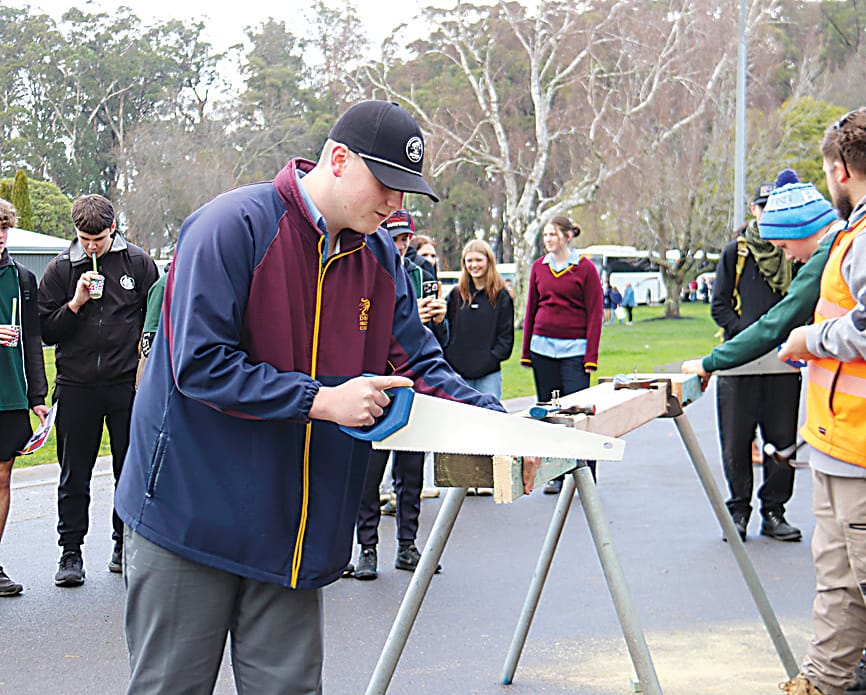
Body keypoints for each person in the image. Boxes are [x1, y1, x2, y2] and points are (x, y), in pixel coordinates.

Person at [114, 100, 503, 693]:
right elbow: (199, 363)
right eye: (387, 184)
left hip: (293, 532)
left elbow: (417, 360)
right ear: (338, 159)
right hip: (189, 516)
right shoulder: (232, 226)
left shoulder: (379, 259)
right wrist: (322, 400)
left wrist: (501, 425)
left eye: (408, 191)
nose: (396, 204)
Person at [778, 108, 866, 695]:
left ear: (838, 170)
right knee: (836, 580)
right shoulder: (853, 234)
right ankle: (823, 683)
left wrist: (811, 339)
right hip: (835, 444)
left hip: (860, 452)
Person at [38, 194, 157, 587]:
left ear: (113, 230)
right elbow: (47, 332)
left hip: (125, 385)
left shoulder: (137, 264)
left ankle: (124, 543)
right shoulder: (59, 269)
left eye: (99, 240)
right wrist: (76, 303)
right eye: (84, 239)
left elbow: (155, 320)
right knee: (75, 474)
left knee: (128, 469)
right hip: (76, 386)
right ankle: (70, 552)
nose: (91, 247)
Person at [352, 208, 449, 581]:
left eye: (406, 238)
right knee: (368, 475)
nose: (401, 244)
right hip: (374, 385)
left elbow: (441, 345)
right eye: (394, 237)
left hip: (411, 390)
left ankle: (408, 545)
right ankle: (368, 548)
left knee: (410, 473)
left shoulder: (422, 274)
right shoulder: (366, 266)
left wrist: (438, 320)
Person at [708, 174, 801, 543]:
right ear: (754, 210)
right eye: (764, 208)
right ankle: (738, 510)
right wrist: (744, 337)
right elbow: (719, 305)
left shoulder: (792, 253)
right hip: (741, 362)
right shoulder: (737, 252)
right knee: (736, 439)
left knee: (781, 439)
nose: (769, 215)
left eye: (776, 208)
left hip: (782, 362)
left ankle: (774, 511)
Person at [521, 214, 603, 494]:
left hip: (575, 350)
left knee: (577, 413)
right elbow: (531, 309)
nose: (548, 240)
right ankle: (555, 473)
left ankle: (585, 474)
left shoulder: (586, 269)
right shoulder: (538, 268)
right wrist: (526, 352)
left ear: (568, 236)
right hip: (542, 348)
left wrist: (591, 356)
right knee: (548, 412)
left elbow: (595, 314)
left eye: (553, 234)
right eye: (545, 236)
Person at [0, 200, 49, 597]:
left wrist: (37, 395)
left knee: (2, 478)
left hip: (10, 395)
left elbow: (33, 339)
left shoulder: (23, 278)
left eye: (4, 229)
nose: (0, 237)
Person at [444, 239, 514, 400]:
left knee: (490, 417)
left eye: (478, 260)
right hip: (458, 373)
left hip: (488, 374)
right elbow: (446, 331)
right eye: (469, 260)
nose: (474, 265)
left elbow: (505, 337)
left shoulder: (501, 296)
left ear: (488, 261)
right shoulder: (456, 295)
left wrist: (491, 358)